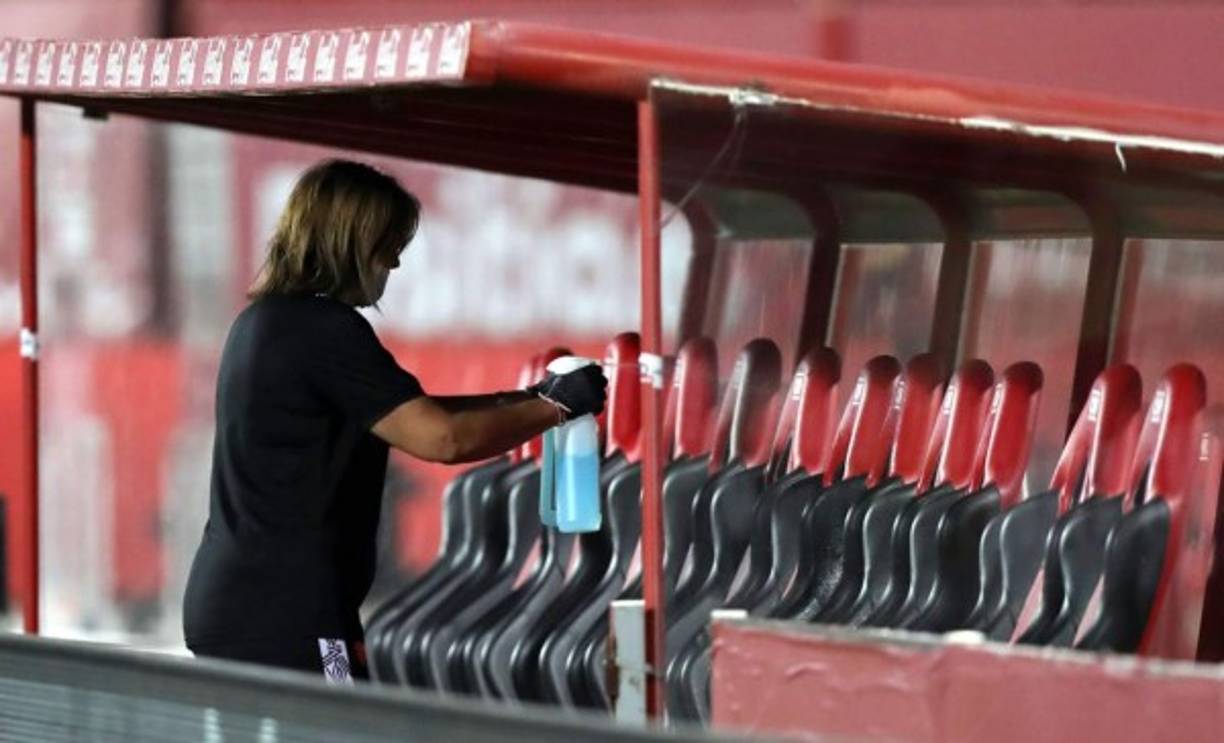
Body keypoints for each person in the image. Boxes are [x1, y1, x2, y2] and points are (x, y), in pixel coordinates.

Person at [182, 159, 607, 683]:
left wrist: (529, 399)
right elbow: (441, 438)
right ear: (353, 242)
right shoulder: (326, 331)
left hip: (243, 602)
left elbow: (414, 411)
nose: (395, 266)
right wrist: (557, 408)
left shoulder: (265, 322)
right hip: (289, 615)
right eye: (389, 248)